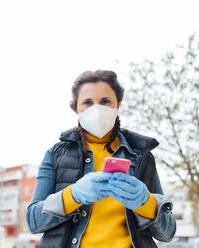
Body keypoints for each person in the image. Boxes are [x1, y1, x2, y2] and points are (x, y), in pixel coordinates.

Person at [26, 70, 176, 248]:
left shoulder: (142, 155)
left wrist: (146, 203)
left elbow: (167, 233)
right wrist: (72, 196)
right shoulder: (55, 155)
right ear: (76, 108)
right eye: (87, 102)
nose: (96, 109)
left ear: (118, 104)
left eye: (105, 101)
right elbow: (33, 221)